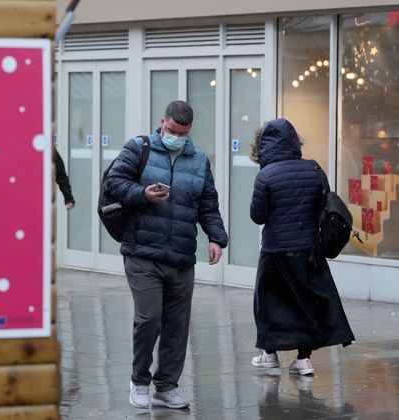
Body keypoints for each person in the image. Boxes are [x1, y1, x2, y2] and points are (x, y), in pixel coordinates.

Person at [105, 100, 228, 409]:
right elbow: (114, 183)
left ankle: (166, 386)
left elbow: (208, 204)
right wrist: (142, 194)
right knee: (149, 318)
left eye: (182, 133)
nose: (176, 136)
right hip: (142, 252)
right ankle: (139, 381)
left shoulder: (198, 159)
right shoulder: (139, 148)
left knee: (177, 324)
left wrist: (217, 238)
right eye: (171, 130)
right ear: (162, 122)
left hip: (181, 256)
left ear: (189, 131)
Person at [249, 118, 355, 376]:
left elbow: (257, 216)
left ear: (264, 147)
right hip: (309, 252)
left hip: (276, 251)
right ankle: (304, 359)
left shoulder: (265, 175)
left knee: (270, 303)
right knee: (306, 304)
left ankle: (269, 354)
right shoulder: (314, 169)